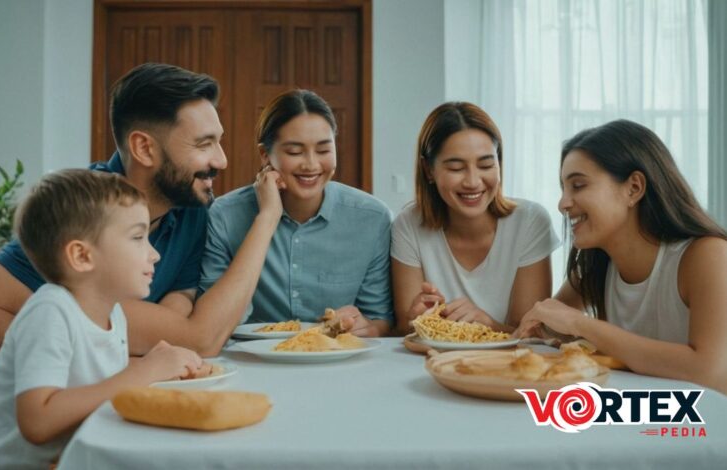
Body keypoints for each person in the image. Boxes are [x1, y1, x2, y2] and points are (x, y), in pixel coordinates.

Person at [0, 63, 283, 461]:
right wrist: (108, 360)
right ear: (144, 148)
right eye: (204, 144)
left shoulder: (193, 208)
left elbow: (182, 323)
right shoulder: (79, 213)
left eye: (219, 141)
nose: (223, 161)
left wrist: (137, 349)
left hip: (96, 416)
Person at [0, 170, 206, 469]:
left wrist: (160, 369)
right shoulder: (50, 312)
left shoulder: (113, 313)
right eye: (137, 237)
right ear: (81, 256)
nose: (154, 254)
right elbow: (38, 422)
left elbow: (97, 388)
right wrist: (143, 372)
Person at [515, 120, 727, 393]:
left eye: (578, 185)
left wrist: (581, 324)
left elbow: (709, 371)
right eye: (563, 189)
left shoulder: (707, 256)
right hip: (644, 419)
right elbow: (541, 327)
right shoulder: (595, 265)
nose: (562, 203)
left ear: (634, 188)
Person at [199, 89, 393, 336]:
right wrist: (267, 217)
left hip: (335, 361)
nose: (311, 164)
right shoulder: (224, 216)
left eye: (323, 151)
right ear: (265, 155)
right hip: (251, 361)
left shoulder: (372, 219)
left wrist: (369, 328)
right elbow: (216, 323)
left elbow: (380, 318)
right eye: (294, 152)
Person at [391, 102, 560, 335]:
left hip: (509, 367)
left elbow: (532, 334)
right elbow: (404, 329)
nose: (473, 181)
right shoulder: (408, 225)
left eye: (486, 165)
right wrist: (417, 320)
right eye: (456, 168)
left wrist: (486, 324)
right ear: (429, 170)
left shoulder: (530, 221)